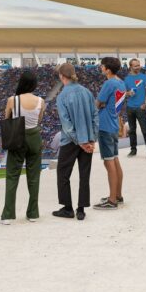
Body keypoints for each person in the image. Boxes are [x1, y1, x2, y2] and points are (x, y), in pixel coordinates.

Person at [53, 62, 98, 221]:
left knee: (63, 174)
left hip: (70, 141)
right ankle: (81, 209)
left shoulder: (62, 96)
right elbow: (95, 116)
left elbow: (66, 125)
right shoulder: (87, 92)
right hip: (88, 140)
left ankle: (67, 208)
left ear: (61, 76)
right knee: (84, 175)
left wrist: (79, 141)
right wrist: (91, 139)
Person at [1, 71, 44, 223]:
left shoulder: (12, 100)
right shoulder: (40, 101)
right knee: (34, 177)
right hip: (34, 138)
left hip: (17, 138)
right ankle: (33, 214)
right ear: (34, 84)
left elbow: (7, 118)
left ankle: (8, 215)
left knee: (12, 176)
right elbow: (39, 120)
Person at [94, 57, 125, 211]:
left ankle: (112, 200)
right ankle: (118, 195)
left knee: (108, 162)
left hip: (105, 124)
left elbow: (97, 103)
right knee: (115, 160)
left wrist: (101, 104)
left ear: (108, 69)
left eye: (102, 66)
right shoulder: (121, 83)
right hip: (113, 124)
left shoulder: (109, 83)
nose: (101, 68)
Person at [123, 58, 146, 161]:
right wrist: (128, 93)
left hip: (140, 108)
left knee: (145, 130)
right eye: (136, 66)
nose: (138, 67)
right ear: (130, 67)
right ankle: (133, 150)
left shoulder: (145, 77)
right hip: (130, 107)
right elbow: (122, 93)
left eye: (139, 65)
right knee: (132, 130)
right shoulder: (126, 79)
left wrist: (145, 103)